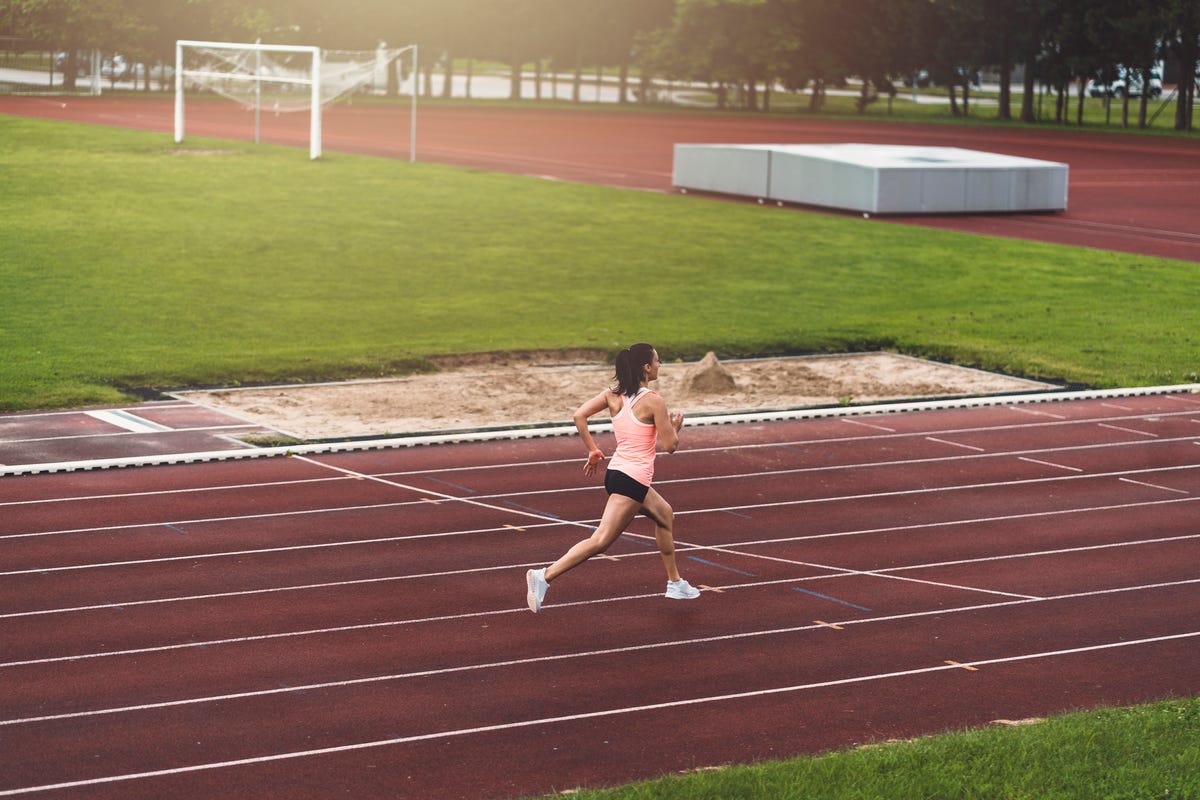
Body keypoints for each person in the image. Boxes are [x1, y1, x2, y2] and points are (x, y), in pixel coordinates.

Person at [526, 343, 701, 613]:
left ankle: (675, 583)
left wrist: (593, 449)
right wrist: (675, 428)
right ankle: (544, 576)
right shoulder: (653, 400)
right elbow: (670, 446)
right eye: (657, 361)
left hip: (619, 474)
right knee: (601, 541)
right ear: (646, 367)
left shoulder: (612, 395)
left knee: (665, 515)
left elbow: (579, 415)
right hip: (632, 480)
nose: (659, 365)